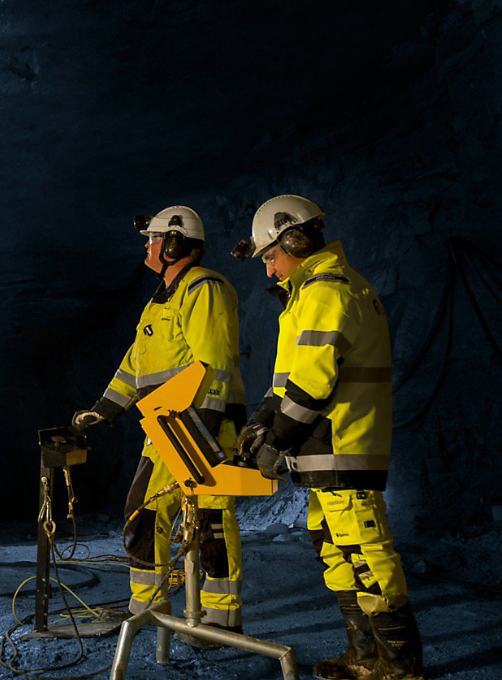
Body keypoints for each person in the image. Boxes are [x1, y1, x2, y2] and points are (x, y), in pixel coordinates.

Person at [233, 195, 423, 680]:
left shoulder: (327, 292)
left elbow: (313, 385)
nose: (270, 271)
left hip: (343, 445)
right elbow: (286, 384)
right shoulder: (307, 296)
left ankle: (400, 668)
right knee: (337, 553)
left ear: (293, 240)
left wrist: (276, 440)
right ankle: (364, 657)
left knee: (365, 553)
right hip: (324, 449)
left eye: (271, 257)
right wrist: (261, 424)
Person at [75, 206, 247, 645]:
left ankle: (219, 618)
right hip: (166, 430)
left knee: (209, 518)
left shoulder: (202, 289)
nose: (146, 246)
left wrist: (203, 427)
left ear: (172, 243)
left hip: (200, 427)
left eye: (151, 238)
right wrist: (106, 408)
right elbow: (136, 365)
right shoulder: (160, 301)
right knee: (144, 513)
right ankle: (150, 607)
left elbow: (215, 363)